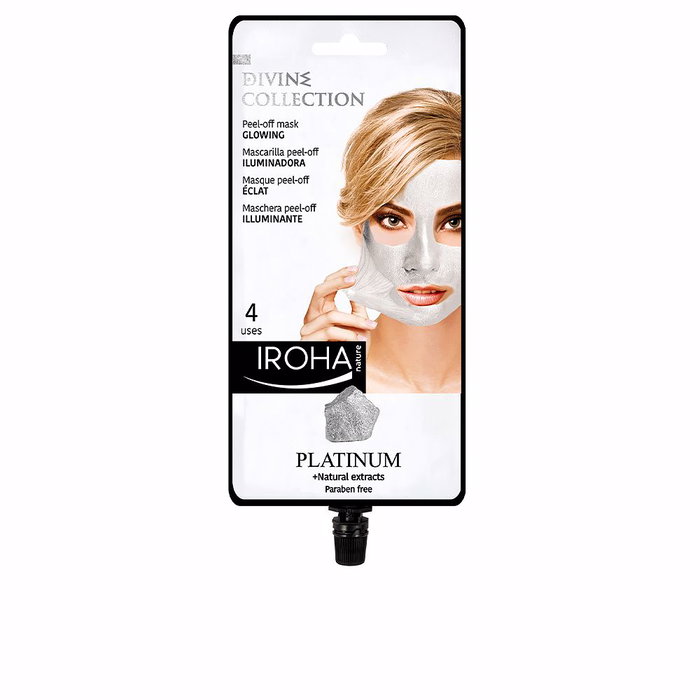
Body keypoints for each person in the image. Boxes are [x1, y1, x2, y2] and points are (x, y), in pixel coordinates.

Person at [300, 88, 462, 394]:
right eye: (393, 220)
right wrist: (313, 378)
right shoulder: (314, 374)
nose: (423, 262)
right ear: (359, 228)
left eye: (455, 222)